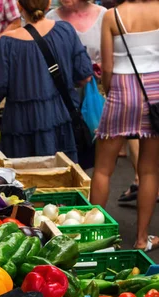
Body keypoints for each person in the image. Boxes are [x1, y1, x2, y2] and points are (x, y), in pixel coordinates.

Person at [90, 0, 159, 251]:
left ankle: (95, 239)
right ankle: (142, 239)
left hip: (122, 89)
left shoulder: (112, 16)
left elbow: (107, 66)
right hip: (156, 94)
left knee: (103, 169)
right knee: (150, 170)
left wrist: (111, 93)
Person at [0, 0, 93, 160]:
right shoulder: (65, 30)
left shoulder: (6, 43)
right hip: (60, 120)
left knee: (21, 180)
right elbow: (85, 76)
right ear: (48, 4)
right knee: (61, 179)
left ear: (19, 6)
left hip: (20, 127)